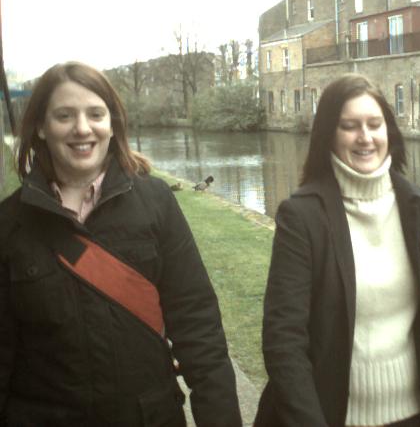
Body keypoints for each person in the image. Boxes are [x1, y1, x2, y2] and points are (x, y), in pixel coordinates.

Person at [0, 62, 242, 426]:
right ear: (40, 127)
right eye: (64, 115)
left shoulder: (156, 203)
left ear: (112, 124)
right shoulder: (9, 224)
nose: (82, 128)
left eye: (95, 114)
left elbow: (198, 328)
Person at [255, 73, 420, 427]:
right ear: (329, 133)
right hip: (332, 415)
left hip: (419, 414)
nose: (365, 137)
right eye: (349, 126)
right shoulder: (302, 217)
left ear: (389, 130)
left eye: (375, 124)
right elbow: (283, 341)